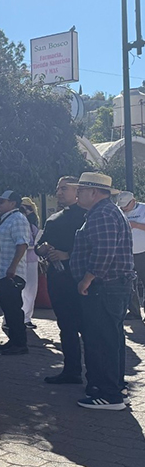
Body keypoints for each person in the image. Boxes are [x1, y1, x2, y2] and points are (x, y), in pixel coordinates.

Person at [69, 173, 135, 410]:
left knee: (103, 340)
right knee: (111, 339)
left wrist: (87, 279)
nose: (77, 193)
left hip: (104, 287)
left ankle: (109, 395)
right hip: (112, 287)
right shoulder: (107, 211)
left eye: (82, 189)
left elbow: (103, 252)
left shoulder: (103, 214)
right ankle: (113, 388)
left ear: (94, 192)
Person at [36, 177, 87, 384]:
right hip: (58, 280)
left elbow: (95, 247)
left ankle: (97, 374)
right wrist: (44, 249)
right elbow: (39, 245)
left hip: (82, 280)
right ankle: (71, 370)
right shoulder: (53, 219)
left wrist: (67, 254)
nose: (58, 192)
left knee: (88, 328)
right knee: (66, 327)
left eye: (64, 188)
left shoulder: (88, 216)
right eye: (57, 188)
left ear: (78, 191)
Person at [0, 190, 31, 355]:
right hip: (4, 271)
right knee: (8, 307)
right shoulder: (7, 219)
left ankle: (20, 343)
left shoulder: (18, 219)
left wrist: (13, 267)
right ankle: (14, 340)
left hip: (11, 272)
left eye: (2, 202)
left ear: (13, 203)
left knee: (14, 308)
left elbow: (22, 244)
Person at [116, 191, 145, 320]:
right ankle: (134, 312)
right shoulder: (118, 211)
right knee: (128, 284)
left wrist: (136, 225)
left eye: (125, 206)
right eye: (121, 206)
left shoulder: (143, 209)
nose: (123, 208)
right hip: (125, 253)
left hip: (143, 252)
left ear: (133, 201)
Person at [20, 197, 41, 326]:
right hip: (22, 258)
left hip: (32, 258)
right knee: (21, 290)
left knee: (31, 289)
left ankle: (26, 317)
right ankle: (19, 316)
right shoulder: (18, 221)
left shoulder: (32, 224)